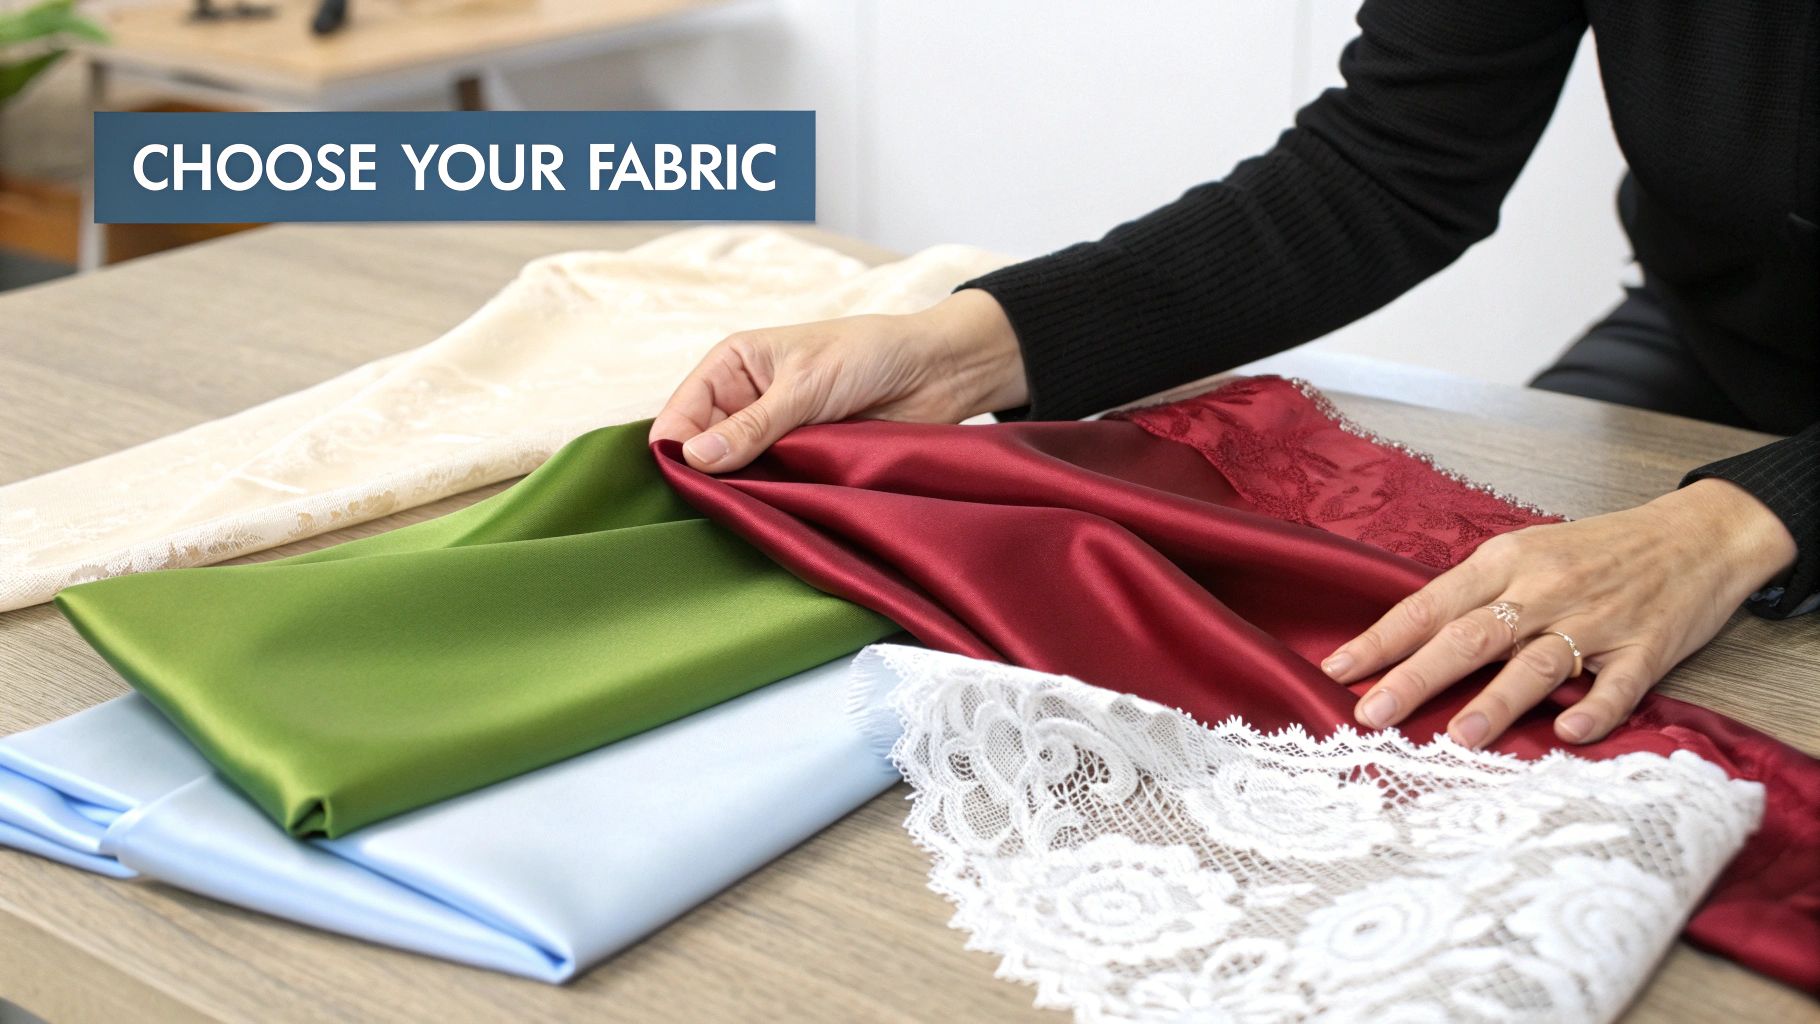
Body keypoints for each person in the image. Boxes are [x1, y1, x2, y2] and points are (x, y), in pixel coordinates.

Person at [650, 2, 1817, 752]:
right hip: (1726, 332)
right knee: (1463, 614)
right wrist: (968, 343)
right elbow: (1385, 166)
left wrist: (1733, 525)